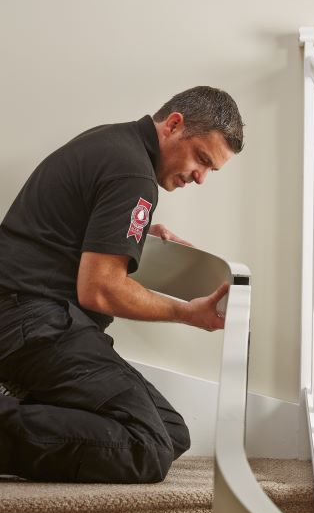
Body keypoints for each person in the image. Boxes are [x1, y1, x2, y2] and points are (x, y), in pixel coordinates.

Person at [0, 86, 244, 483]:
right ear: (174, 125)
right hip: (33, 321)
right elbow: (99, 291)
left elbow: (65, 239)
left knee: (171, 432)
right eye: (201, 158)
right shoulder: (132, 173)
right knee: (147, 447)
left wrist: (132, 238)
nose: (200, 177)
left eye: (211, 170)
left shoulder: (112, 144)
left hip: (32, 318)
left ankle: (27, 406)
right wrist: (187, 313)